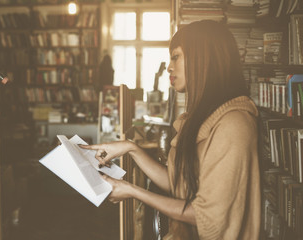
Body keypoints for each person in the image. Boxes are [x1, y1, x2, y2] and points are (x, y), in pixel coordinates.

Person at [80, 20, 261, 240]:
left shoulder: (233, 125)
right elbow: (178, 185)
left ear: (203, 59)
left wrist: (133, 191)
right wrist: (130, 148)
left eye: (176, 56)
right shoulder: (203, 119)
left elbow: (209, 219)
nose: (169, 67)